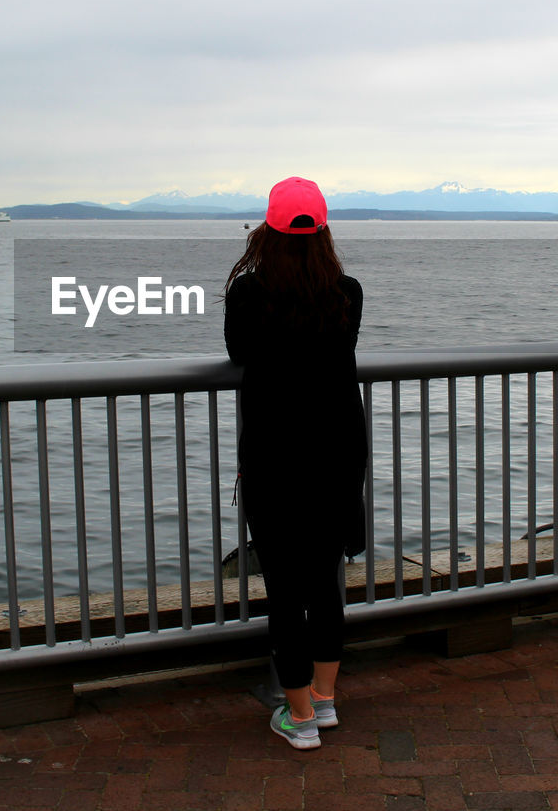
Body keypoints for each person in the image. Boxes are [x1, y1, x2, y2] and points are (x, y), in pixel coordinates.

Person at [224, 176, 368, 751]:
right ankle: (327, 703)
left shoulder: (248, 294)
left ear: (269, 229)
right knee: (325, 582)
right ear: (324, 231)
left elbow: (240, 354)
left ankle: (299, 716)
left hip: (276, 456)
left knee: (284, 588)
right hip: (337, 452)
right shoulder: (348, 291)